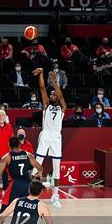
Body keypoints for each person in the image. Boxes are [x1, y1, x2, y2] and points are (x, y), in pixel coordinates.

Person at [0, 136, 43, 224]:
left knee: (3, 212)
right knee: (32, 210)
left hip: (15, 186)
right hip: (27, 186)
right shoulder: (28, 155)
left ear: (9, 145)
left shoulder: (7, 157)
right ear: (19, 144)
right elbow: (40, 167)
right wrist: (38, 174)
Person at [31, 68, 66, 208]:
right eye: (51, 94)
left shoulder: (63, 107)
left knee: (56, 167)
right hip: (46, 134)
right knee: (37, 162)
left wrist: (53, 82)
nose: (52, 95)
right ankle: (32, 194)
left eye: (54, 94)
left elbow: (60, 94)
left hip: (56, 136)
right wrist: (41, 74)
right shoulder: (46, 105)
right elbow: (41, 88)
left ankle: (55, 195)